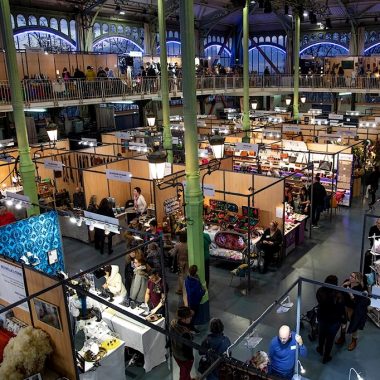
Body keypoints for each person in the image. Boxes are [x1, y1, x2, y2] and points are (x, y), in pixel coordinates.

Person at [336, 272, 370, 351]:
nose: (350, 277)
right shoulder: (347, 281)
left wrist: (350, 293)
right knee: (343, 323)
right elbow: (339, 292)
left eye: (352, 277)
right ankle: (342, 337)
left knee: (354, 325)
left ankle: (353, 341)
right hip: (345, 306)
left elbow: (357, 302)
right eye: (350, 275)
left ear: (357, 280)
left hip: (353, 309)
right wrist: (344, 284)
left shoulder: (360, 288)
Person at [316, 275, 346, 363]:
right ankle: (326, 357)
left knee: (321, 335)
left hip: (322, 318)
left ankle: (320, 348)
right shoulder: (338, 295)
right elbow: (341, 309)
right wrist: (343, 320)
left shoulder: (320, 291)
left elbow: (319, 302)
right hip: (334, 321)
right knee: (330, 339)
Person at [169, 306, 194, 380]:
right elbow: (187, 350)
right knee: (184, 374)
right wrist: (191, 359)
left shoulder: (173, 323)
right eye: (189, 317)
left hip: (175, 352)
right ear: (184, 319)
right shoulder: (185, 333)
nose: (191, 318)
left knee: (184, 372)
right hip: (184, 358)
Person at [184, 265, 205, 332]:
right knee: (193, 315)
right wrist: (203, 292)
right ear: (196, 271)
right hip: (195, 301)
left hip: (190, 300)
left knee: (190, 314)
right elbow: (196, 293)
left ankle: (189, 326)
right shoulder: (196, 282)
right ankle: (190, 327)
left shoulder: (187, 279)